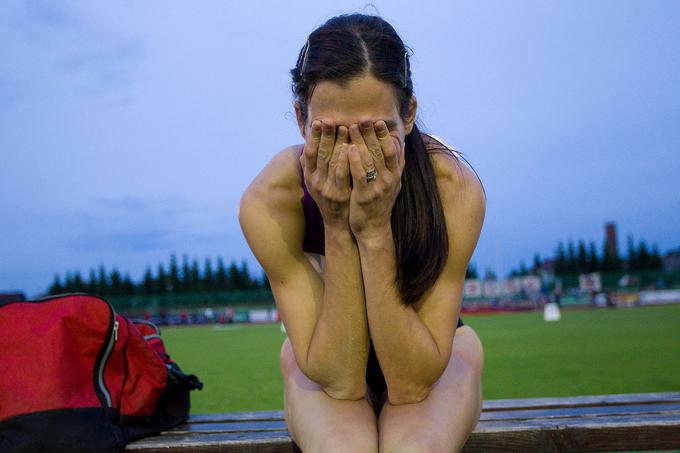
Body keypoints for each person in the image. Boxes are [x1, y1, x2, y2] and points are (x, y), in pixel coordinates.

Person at [239, 13, 486, 452]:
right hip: (322, 357)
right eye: (331, 134)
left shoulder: (453, 188)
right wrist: (336, 224)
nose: (357, 155)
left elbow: (411, 384)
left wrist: (373, 230)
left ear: (408, 114)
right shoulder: (271, 201)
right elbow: (339, 378)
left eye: (378, 131)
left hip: (432, 356)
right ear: (301, 119)